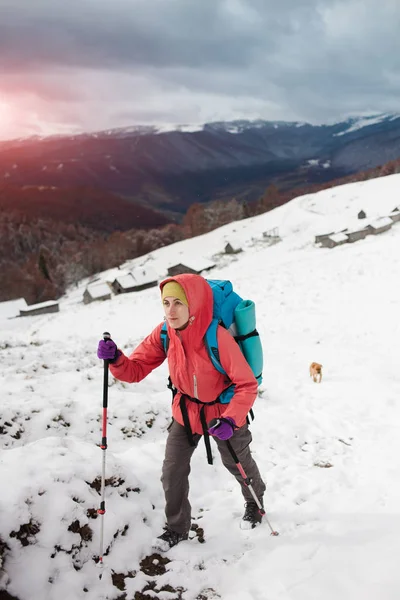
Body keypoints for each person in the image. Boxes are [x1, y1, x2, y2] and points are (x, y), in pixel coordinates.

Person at [97, 273, 266, 550]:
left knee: (237, 462)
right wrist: (116, 358)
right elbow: (135, 370)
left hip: (223, 412)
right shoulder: (165, 333)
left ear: (194, 305)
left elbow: (246, 385)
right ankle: (176, 528)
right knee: (172, 471)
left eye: (178, 303)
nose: (171, 310)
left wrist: (231, 418)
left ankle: (255, 502)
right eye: (166, 303)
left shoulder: (218, 337)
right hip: (185, 412)